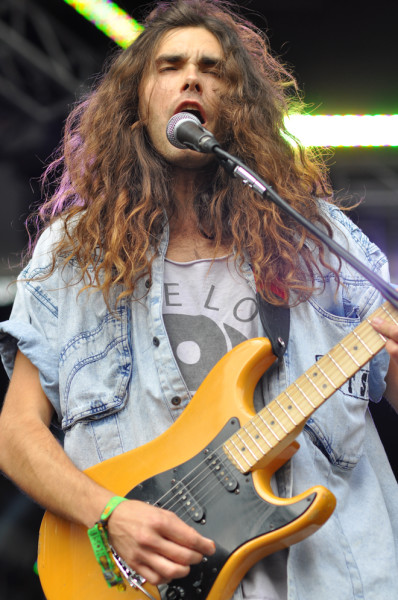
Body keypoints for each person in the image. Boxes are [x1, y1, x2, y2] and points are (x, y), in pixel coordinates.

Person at [0, 1, 397, 598]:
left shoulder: (322, 240)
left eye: (214, 69)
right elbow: (16, 430)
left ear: (241, 106)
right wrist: (107, 512)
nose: (192, 78)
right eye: (170, 66)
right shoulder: (75, 255)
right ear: (137, 104)